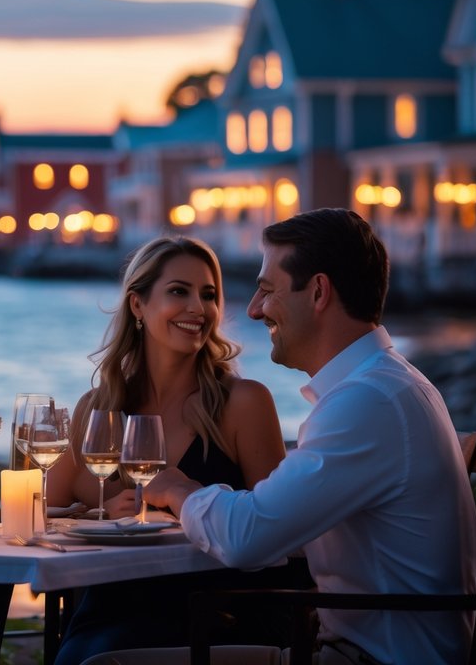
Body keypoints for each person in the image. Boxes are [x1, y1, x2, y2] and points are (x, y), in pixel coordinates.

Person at [144, 208, 476, 664]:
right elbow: (280, 529)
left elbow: (247, 539)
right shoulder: (388, 385)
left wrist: (179, 489)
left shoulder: (367, 402)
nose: (253, 309)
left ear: (318, 292)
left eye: (266, 290)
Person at [49, 235, 299, 665]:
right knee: (83, 651)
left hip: (214, 612)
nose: (198, 310)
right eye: (178, 292)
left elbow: (280, 539)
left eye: (209, 295)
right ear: (137, 306)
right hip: (111, 606)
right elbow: (44, 509)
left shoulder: (244, 402)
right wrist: (101, 514)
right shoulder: (99, 408)